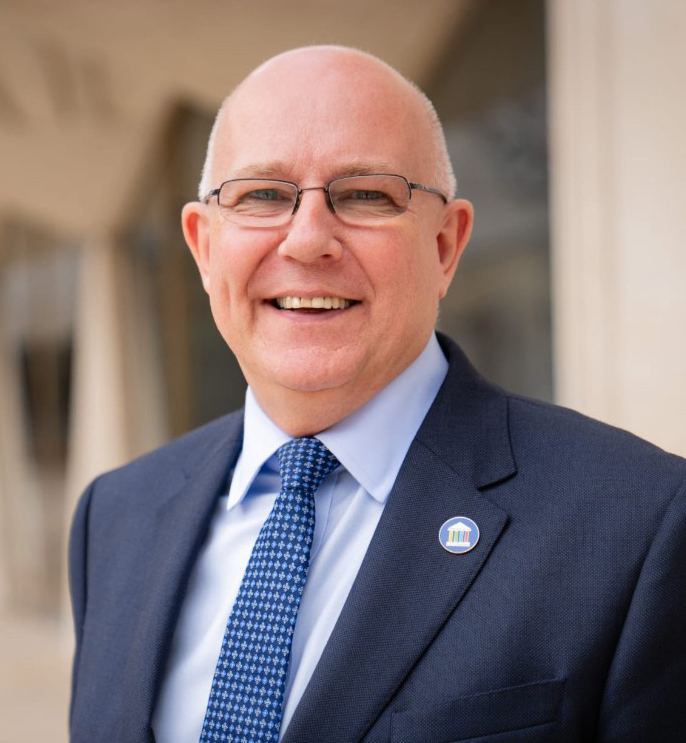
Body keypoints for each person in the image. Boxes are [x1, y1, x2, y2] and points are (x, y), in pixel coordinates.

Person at [68, 46, 686, 743]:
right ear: (204, 246)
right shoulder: (114, 517)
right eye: (263, 195)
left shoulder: (640, 527)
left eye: (365, 194)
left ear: (446, 244)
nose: (307, 240)